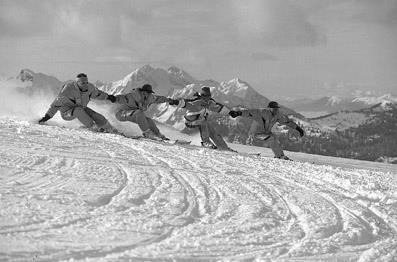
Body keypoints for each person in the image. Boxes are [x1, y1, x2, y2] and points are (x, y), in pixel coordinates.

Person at [38, 73, 117, 132]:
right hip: (67, 113)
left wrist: (108, 97)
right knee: (78, 110)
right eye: (83, 83)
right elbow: (55, 105)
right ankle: (93, 127)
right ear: (77, 83)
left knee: (96, 116)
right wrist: (46, 117)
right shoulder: (68, 90)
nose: (85, 85)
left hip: (81, 108)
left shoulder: (89, 87)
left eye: (86, 82)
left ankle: (110, 129)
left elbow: (98, 94)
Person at [229, 101, 304, 160]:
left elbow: (287, 122)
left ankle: (280, 155)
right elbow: (249, 112)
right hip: (256, 134)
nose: (276, 110)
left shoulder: (277, 115)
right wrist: (238, 113)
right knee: (271, 138)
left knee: (274, 137)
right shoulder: (261, 112)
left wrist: (298, 129)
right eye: (274, 108)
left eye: (277, 108)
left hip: (265, 133)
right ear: (269, 108)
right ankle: (279, 156)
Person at [114, 84, 178, 140]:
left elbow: (159, 99)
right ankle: (147, 133)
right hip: (121, 113)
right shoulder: (133, 95)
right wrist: (111, 98)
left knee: (148, 120)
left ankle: (158, 135)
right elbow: (121, 98)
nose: (148, 94)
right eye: (147, 92)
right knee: (139, 112)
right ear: (143, 92)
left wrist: (171, 101)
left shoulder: (149, 98)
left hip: (133, 114)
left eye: (150, 92)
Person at [177, 86, 233, 150]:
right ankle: (206, 142)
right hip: (190, 121)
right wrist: (176, 101)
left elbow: (218, 108)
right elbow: (186, 104)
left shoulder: (210, 102)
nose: (207, 98)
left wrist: (231, 112)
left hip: (200, 120)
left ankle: (223, 147)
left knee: (212, 130)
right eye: (205, 96)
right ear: (202, 96)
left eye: (209, 95)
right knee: (203, 121)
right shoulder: (197, 102)